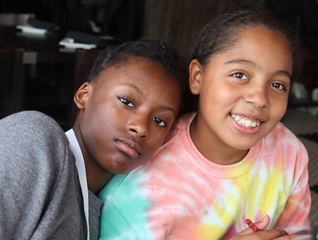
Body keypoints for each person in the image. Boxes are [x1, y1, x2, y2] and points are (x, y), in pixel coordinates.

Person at [98, 8, 311, 240]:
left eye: (278, 85)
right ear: (197, 77)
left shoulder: (288, 151)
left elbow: (297, 234)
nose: (259, 98)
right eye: (240, 75)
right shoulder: (138, 197)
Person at [0, 39, 184, 240]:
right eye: (127, 101)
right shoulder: (32, 140)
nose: (141, 127)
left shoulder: (100, 219)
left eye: (160, 121)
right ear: (83, 95)